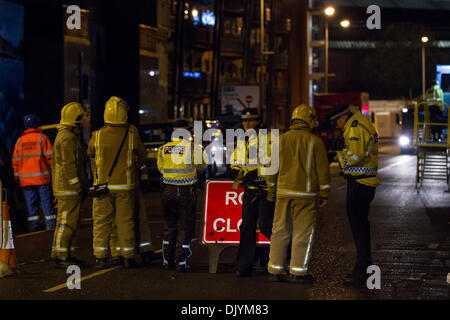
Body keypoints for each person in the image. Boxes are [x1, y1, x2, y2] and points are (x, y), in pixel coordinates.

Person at [266, 104, 330, 283]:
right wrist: (324, 193)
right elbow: (322, 170)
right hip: (306, 196)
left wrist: (272, 189)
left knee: (279, 231)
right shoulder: (315, 142)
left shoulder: (281, 140)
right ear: (310, 121)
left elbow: (271, 169)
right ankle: (298, 272)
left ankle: (275, 270)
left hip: (283, 193)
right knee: (303, 233)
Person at [87, 96, 147, 269]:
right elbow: (141, 156)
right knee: (125, 220)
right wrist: (142, 174)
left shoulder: (96, 136)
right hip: (125, 185)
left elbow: (90, 154)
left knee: (101, 222)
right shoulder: (131, 135)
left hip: (102, 186)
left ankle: (100, 257)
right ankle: (128, 256)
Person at [328, 104, 379, 285]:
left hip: (360, 183)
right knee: (361, 227)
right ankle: (364, 266)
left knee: (359, 229)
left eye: (337, 122)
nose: (337, 126)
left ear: (343, 117)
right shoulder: (360, 122)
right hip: (364, 182)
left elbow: (355, 156)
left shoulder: (354, 127)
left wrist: (336, 157)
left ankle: (362, 270)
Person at [230, 108, 275, 277]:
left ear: (258, 122)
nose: (247, 124)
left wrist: (258, 173)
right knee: (247, 227)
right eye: (245, 121)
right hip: (250, 190)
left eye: (251, 121)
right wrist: (235, 171)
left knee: (266, 226)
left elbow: (273, 162)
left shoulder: (269, 138)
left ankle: (281, 259)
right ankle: (244, 265)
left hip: (266, 189)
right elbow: (236, 160)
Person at [157, 119, 207, 272]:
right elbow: (202, 165)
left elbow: (161, 168)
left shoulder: (163, 148)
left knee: (169, 226)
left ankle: (167, 260)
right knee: (185, 227)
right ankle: (181, 262)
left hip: (168, 191)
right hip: (186, 192)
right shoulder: (193, 148)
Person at [50, 102, 88, 268]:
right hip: (67, 189)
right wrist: (77, 184)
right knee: (66, 222)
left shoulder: (68, 136)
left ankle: (66, 253)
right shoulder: (67, 138)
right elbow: (69, 164)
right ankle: (60, 256)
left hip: (67, 188)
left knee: (70, 222)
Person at [12, 114, 56, 232]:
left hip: (25, 181)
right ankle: (50, 227)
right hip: (42, 179)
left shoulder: (20, 141)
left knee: (31, 207)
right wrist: (54, 173)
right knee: (46, 204)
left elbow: (15, 161)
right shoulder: (42, 138)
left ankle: (33, 228)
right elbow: (50, 158)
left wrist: (17, 176)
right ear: (37, 124)